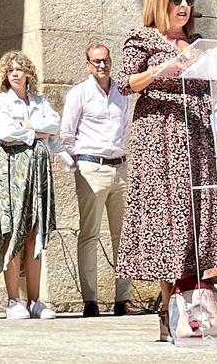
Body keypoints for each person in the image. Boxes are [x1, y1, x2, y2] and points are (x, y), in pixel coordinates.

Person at [115, 0, 217, 342]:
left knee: (197, 216)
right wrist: (164, 67)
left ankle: (195, 307)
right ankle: (170, 307)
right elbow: (125, 82)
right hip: (159, 139)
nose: (183, 7)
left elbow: (210, 89)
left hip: (196, 136)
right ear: (160, 1)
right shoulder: (142, 37)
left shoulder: (197, 43)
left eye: (189, 1)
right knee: (169, 219)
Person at [60, 43, 142, 318]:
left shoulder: (122, 93)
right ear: (87, 64)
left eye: (105, 60)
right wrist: (78, 164)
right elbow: (66, 135)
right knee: (90, 234)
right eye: (96, 61)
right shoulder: (79, 93)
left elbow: (126, 128)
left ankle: (123, 299)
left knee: (124, 236)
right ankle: (90, 300)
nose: (102, 66)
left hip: (119, 168)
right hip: (91, 167)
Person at [0, 50, 61, 320]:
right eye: (11, 70)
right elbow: (6, 133)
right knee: (13, 229)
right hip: (12, 169)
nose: (16, 73)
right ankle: (12, 300)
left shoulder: (40, 101)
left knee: (35, 231)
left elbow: (55, 125)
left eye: (20, 69)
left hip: (39, 168)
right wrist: (36, 130)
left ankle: (35, 300)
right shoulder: (2, 101)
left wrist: (28, 126)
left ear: (28, 72)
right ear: (5, 76)